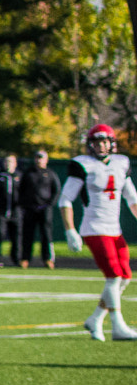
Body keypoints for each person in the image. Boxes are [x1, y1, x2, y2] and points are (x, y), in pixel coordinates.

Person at [60, 123, 137, 340]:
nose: (101, 146)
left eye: (105, 141)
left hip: (114, 228)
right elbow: (65, 199)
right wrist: (70, 230)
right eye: (97, 142)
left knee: (125, 278)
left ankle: (95, 319)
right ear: (90, 145)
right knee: (113, 276)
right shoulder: (82, 165)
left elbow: (132, 199)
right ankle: (118, 326)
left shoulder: (121, 163)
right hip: (94, 227)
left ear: (112, 143)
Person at [19, 147, 60, 268]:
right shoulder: (28, 173)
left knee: (46, 234)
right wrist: (25, 204)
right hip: (30, 208)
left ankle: (47, 259)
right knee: (28, 235)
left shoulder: (50, 174)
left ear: (46, 160)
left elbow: (56, 190)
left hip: (45, 209)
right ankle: (25, 259)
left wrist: (50, 204)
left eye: (41, 158)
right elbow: (21, 189)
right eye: (37, 158)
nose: (39, 160)